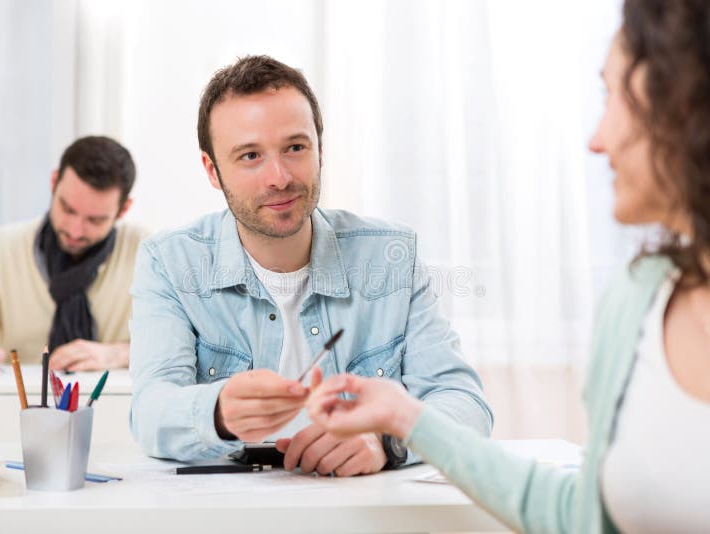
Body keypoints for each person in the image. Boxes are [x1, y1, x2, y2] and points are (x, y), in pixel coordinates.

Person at [307, 0, 710, 531]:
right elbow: (580, 515)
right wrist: (403, 417)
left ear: (687, 105)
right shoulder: (640, 300)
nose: (596, 140)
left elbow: (465, 398)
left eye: (611, 97)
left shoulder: (390, 253)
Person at [129, 56, 493, 476]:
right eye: (250, 155)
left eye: (295, 148)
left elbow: (465, 404)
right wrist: (218, 413)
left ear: (321, 150)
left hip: (362, 501)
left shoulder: (392, 255)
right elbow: (150, 412)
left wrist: (386, 440)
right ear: (213, 170)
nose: (279, 177)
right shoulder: (169, 262)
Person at [0, 136, 148, 371]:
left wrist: (118, 354)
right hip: (21, 394)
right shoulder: (2, 248)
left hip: (115, 394)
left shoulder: (147, 253)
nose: (75, 230)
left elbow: (180, 345)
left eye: (95, 220)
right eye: (67, 209)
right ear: (54, 183)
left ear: (123, 209)